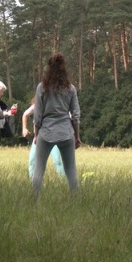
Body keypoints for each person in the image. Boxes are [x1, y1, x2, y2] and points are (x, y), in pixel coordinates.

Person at [32, 53, 81, 195]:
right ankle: (76, 201)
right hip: (66, 132)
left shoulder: (41, 88)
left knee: (39, 170)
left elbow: (37, 116)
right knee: (71, 170)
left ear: (49, 69)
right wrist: (77, 136)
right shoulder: (70, 89)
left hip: (46, 132)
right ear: (64, 69)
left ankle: (35, 201)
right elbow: (76, 115)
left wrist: (36, 135)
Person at [21, 97, 65, 179]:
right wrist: (24, 128)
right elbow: (25, 114)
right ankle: (32, 182)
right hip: (38, 139)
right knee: (32, 161)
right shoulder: (36, 106)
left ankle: (63, 182)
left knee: (57, 161)